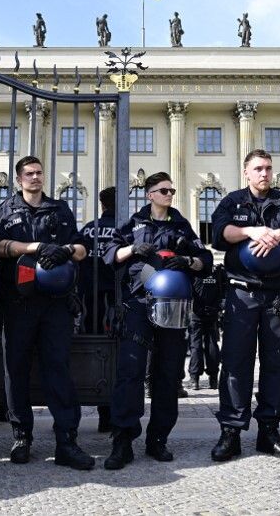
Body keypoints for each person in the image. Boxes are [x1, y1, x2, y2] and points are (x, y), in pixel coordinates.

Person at [0, 156, 94, 470]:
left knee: (58, 367)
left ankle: (67, 440)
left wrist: (66, 250)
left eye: (39, 172)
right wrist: (33, 247)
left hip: (56, 302)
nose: (35, 178)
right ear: (18, 179)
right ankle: (21, 436)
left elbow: (83, 247)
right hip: (17, 301)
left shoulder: (59, 209)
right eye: (29, 174)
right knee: (15, 369)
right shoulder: (4, 211)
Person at [103, 172, 212, 470]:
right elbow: (109, 253)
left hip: (172, 305)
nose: (169, 195)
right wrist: (132, 249)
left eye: (171, 190)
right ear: (149, 194)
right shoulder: (134, 223)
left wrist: (189, 261)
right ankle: (123, 440)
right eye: (163, 190)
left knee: (167, 375)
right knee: (130, 372)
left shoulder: (180, 224)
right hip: (137, 303)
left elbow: (205, 259)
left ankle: (158, 439)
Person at [210, 149, 280, 462]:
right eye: (258, 169)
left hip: (276, 294)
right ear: (246, 173)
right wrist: (251, 231)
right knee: (236, 362)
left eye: (268, 168)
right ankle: (231, 431)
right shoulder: (232, 201)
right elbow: (220, 233)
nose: (264, 174)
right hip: (241, 293)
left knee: (277, 362)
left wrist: (277, 234)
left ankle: (269, 430)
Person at [79, 186, 118, 432]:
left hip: (90, 300)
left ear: (102, 205)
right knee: (116, 354)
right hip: (115, 299)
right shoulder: (124, 230)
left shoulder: (87, 229)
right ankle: (111, 414)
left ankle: (89, 410)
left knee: (89, 353)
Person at [187, 265, 223, 391]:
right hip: (212, 312)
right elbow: (222, 292)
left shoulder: (192, 271)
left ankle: (194, 379)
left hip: (196, 313)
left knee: (195, 345)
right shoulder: (217, 271)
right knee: (212, 344)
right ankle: (213, 379)